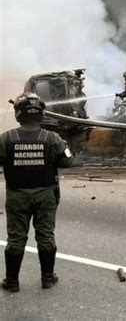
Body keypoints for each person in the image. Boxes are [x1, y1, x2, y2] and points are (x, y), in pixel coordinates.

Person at [0, 92, 73, 292]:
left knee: (16, 238)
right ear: (40, 113)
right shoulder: (52, 138)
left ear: (18, 114)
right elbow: (68, 161)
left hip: (17, 196)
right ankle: (47, 278)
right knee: (46, 236)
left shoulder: (7, 138)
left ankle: (12, 282)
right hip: (45, 195)